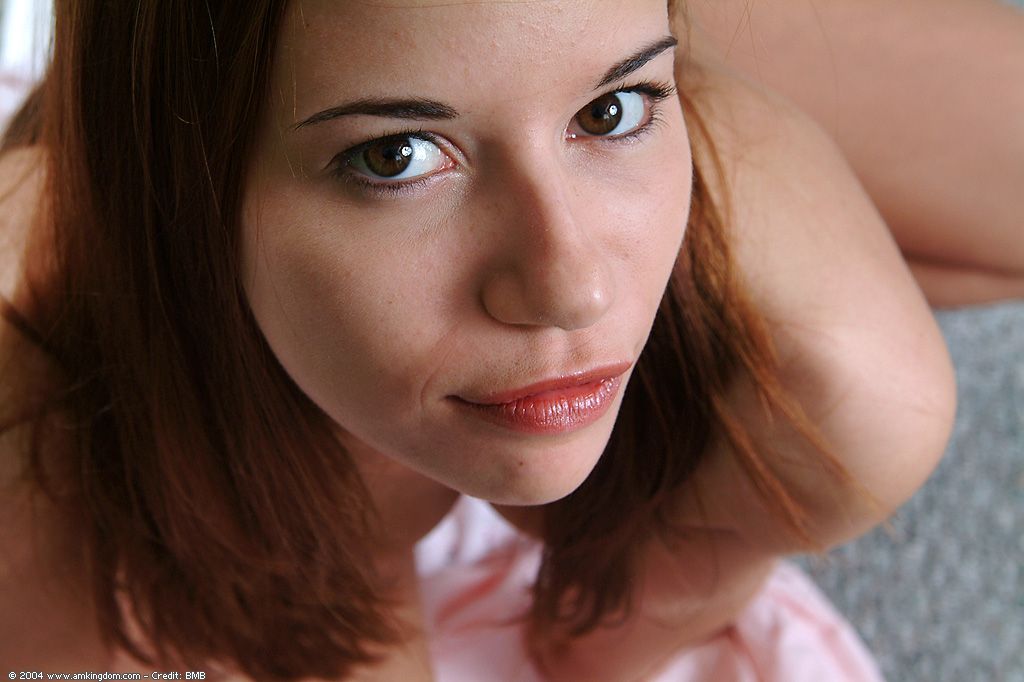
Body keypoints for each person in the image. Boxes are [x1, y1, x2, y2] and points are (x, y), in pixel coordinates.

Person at [0, 0, 1017, 679]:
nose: (572, 288)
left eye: (613, 111)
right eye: (396, 157)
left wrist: (643, 605)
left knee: (864, 400)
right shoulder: (44, 461)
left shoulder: (847, 372)